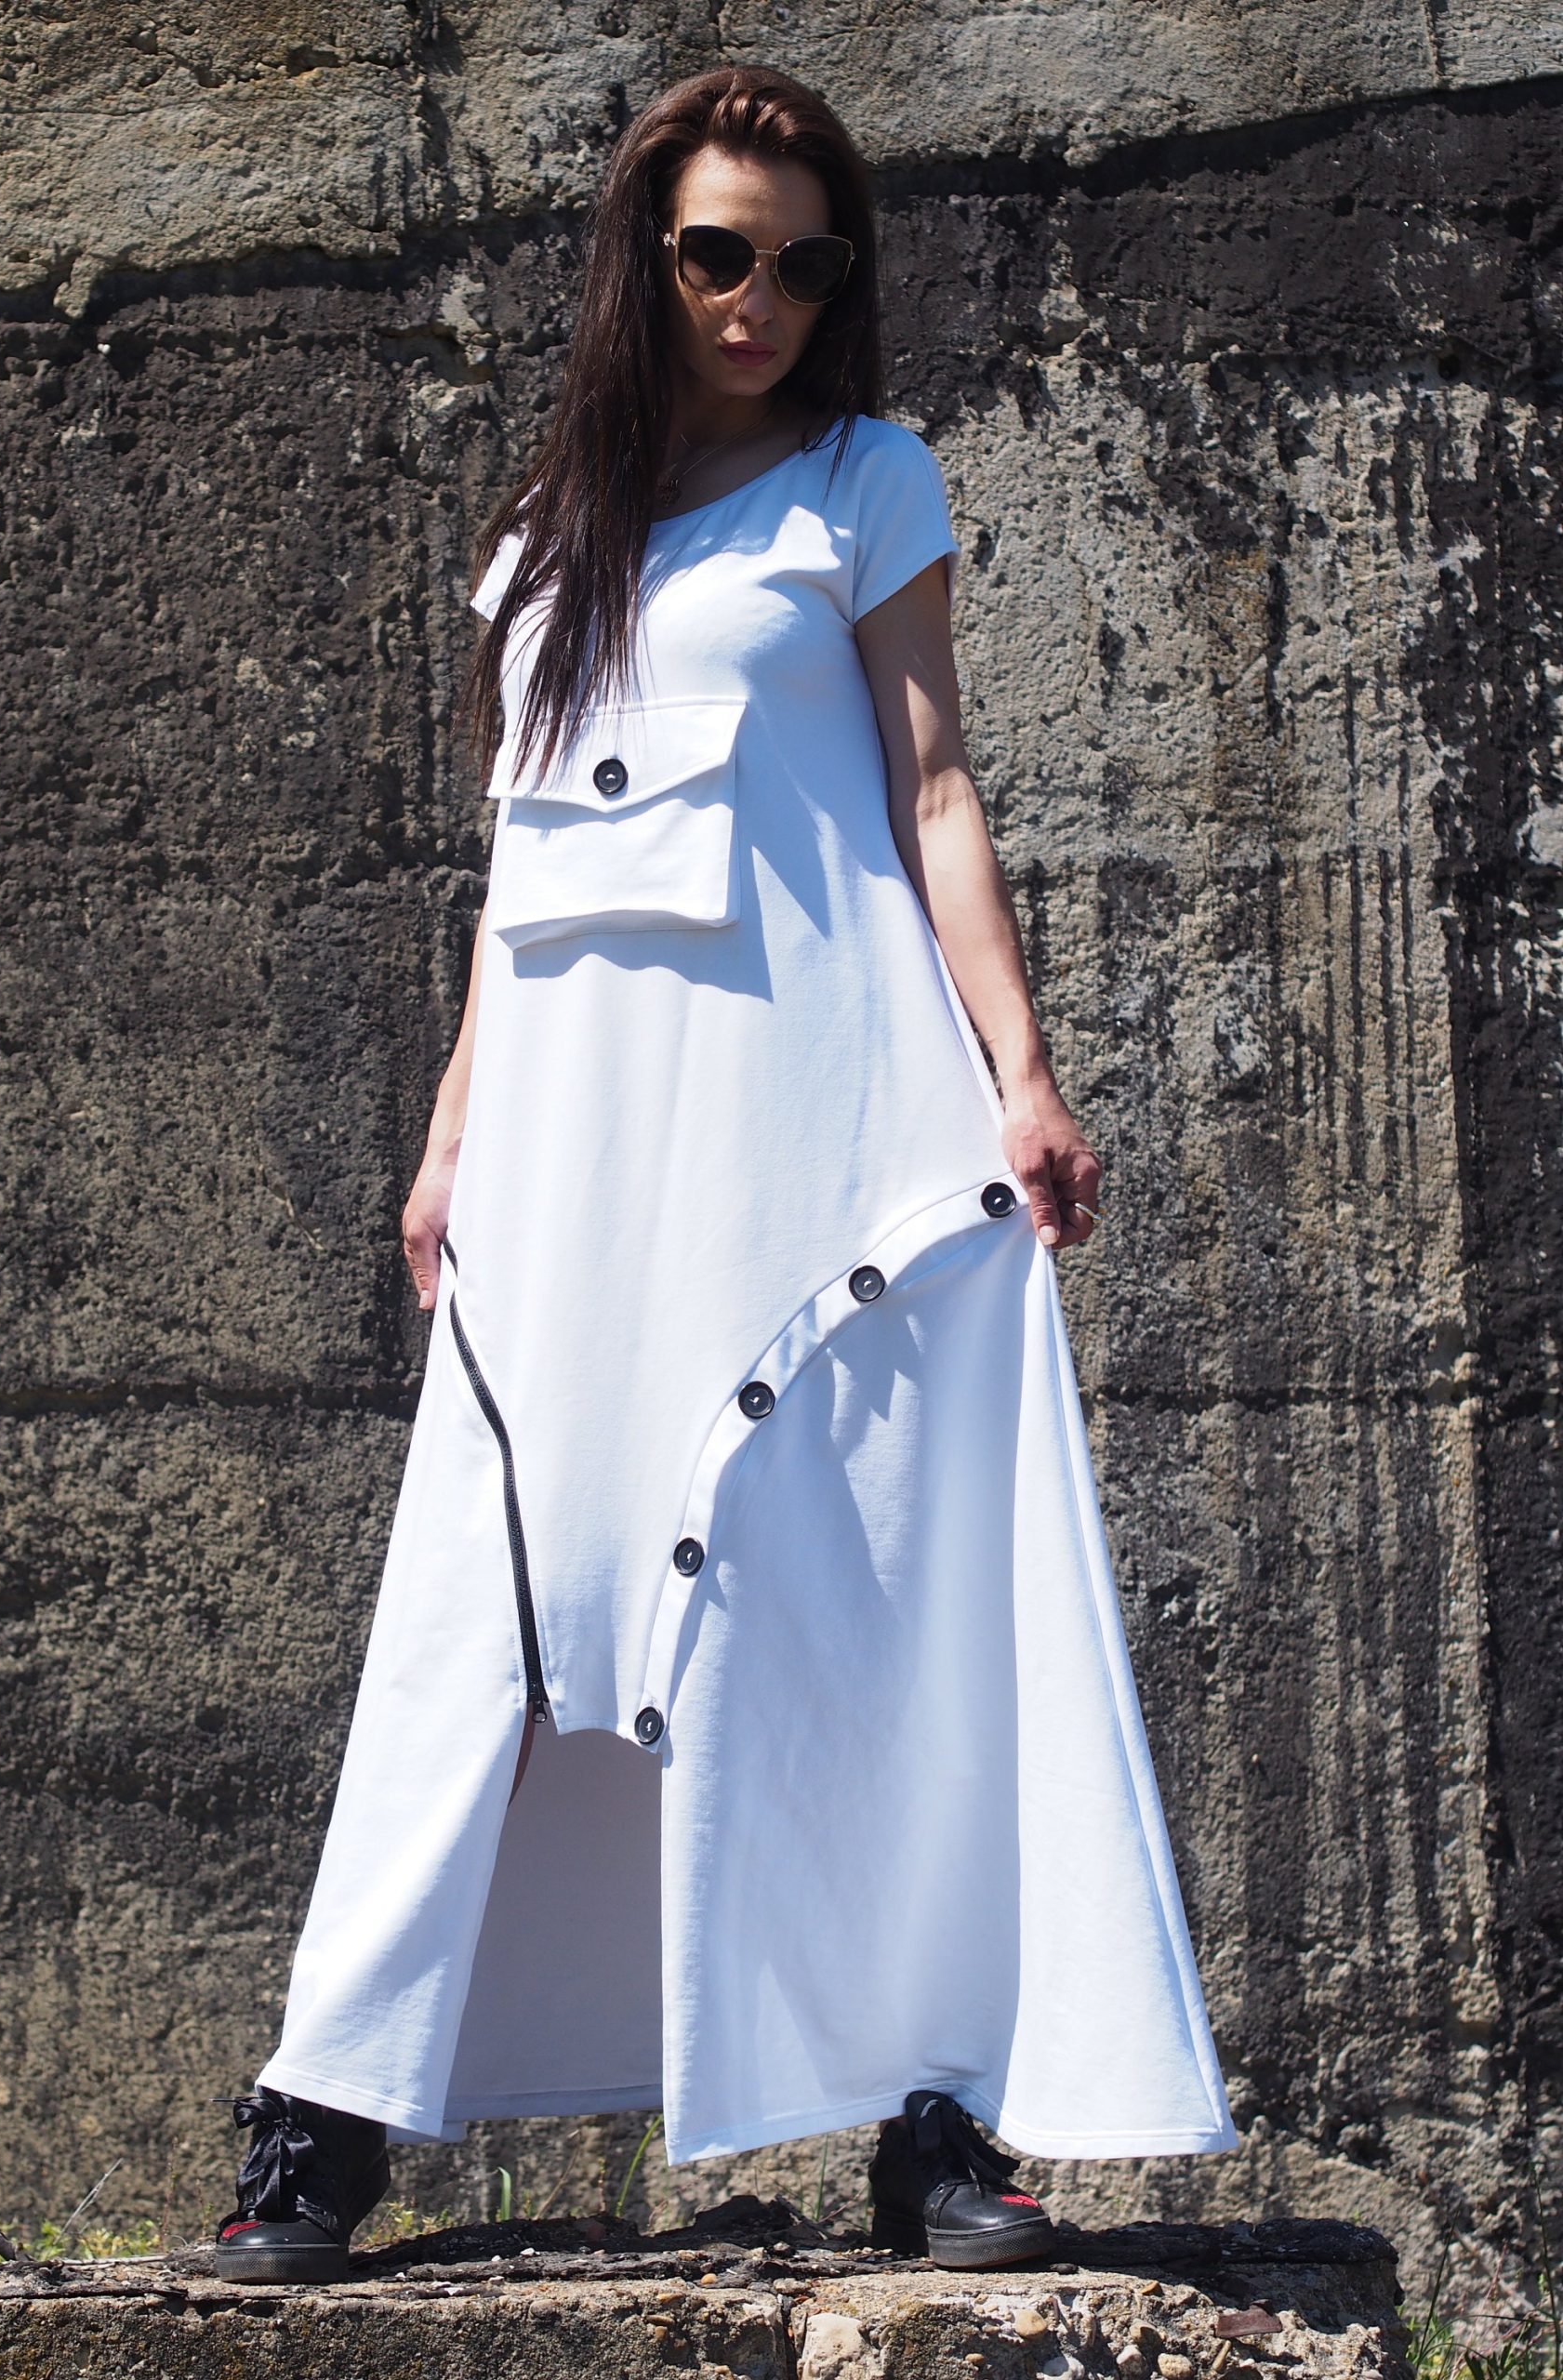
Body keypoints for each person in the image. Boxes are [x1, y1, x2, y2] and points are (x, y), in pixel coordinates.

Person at [215, 62, 1236, 2286]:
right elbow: (519, 871)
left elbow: (936, 788)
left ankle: (938, 2107)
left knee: (856, 1585)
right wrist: (452, 1131)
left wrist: (1025, 1070)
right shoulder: (541, 539)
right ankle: (332, 2113)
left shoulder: (868, 481)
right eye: (715, 253)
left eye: (800, 260)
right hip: (572, 1148)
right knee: (489, 1592)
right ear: (643, 258)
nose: (758, 296)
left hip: (816, 1119)